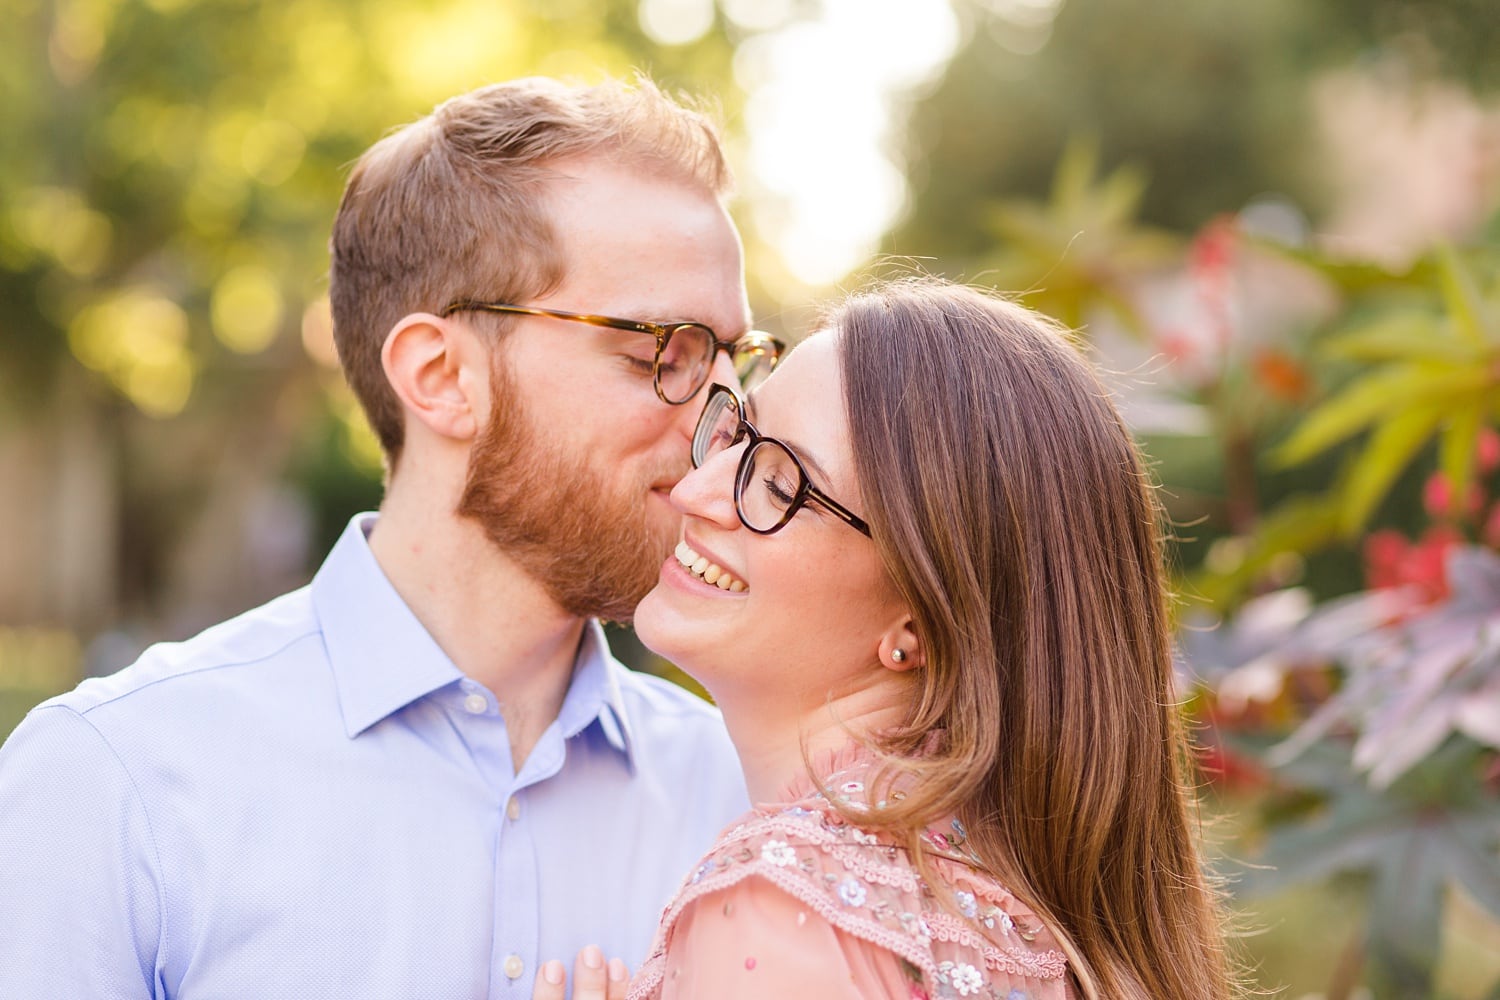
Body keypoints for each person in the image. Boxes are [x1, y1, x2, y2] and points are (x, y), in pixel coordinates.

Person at [0, 75, 781, 996]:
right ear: (442, 375)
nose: (728, 419)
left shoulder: (747, 807)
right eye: (668, 352)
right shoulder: (111, 784)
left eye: (737, 360)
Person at [537, 278, 1236, 1000]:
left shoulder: (781, 905)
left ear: (922, 620)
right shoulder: (1032, 918)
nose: (694, 492)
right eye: (736, 435)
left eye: (781, 487)